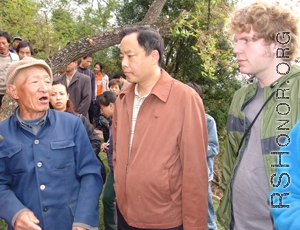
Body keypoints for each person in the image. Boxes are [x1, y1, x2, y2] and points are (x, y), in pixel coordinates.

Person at [113, 25, 208, 229]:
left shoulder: (185, 99)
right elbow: (117, 154)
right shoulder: (122, 98)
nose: (123, 63)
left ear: (154, 56)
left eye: (130, 56)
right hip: (125, 213)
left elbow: (195, 172)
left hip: (164, 218)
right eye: (121, 56)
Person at [216, 2, 300, 229]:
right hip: (237, 222)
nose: (236, 49)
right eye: (236, 40)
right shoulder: (240, 97)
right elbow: (231, 162)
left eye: (247, 40)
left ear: (276, 42)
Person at [0, 57, 102, 230]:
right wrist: (14, 212)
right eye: (34, 81)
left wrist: (83, 220)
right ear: (14, 91)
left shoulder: (72, 124)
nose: (44, 88)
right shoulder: (2, 133)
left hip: (69, 223)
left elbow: (91, 174)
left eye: (47, 81)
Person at [186, 82, 219, 230]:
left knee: (207, 212)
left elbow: (214, 148)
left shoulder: (208, 120)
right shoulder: (178, 119)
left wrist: (193, 147)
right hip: (182, 174)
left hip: (202, 175)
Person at [98, 91, 117, 230]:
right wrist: (108, 144)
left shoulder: (122, 120)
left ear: (111, 105)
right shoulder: (113, 121)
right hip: (114, 165)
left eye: (102, 108)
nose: (101, 111)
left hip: (119, 168)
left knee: (108, 198)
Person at [0, 31, 19, 108]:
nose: (1, 46)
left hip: (9, 93)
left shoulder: (15, 57)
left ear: (8, 43)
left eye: (3, 43)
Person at [77, 54, 96, 123]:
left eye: (90, 62)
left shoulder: (91, 73)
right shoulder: (75, 71)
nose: (89, 64)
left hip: (88, 100)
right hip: (77, 99)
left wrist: (93, 99)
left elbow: (93, 87)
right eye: (87, 61)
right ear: (82, 59)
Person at [94, 62, 109, 130]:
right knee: (96, 111)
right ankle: (98, 126)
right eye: (95, 67)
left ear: (100, 68)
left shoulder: (104, 77)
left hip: (102, 95)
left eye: (97, 67)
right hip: (95, 96)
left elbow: (107, 87)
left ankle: (104, 125)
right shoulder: (93, 76)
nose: (95, 69)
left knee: (103, 111)